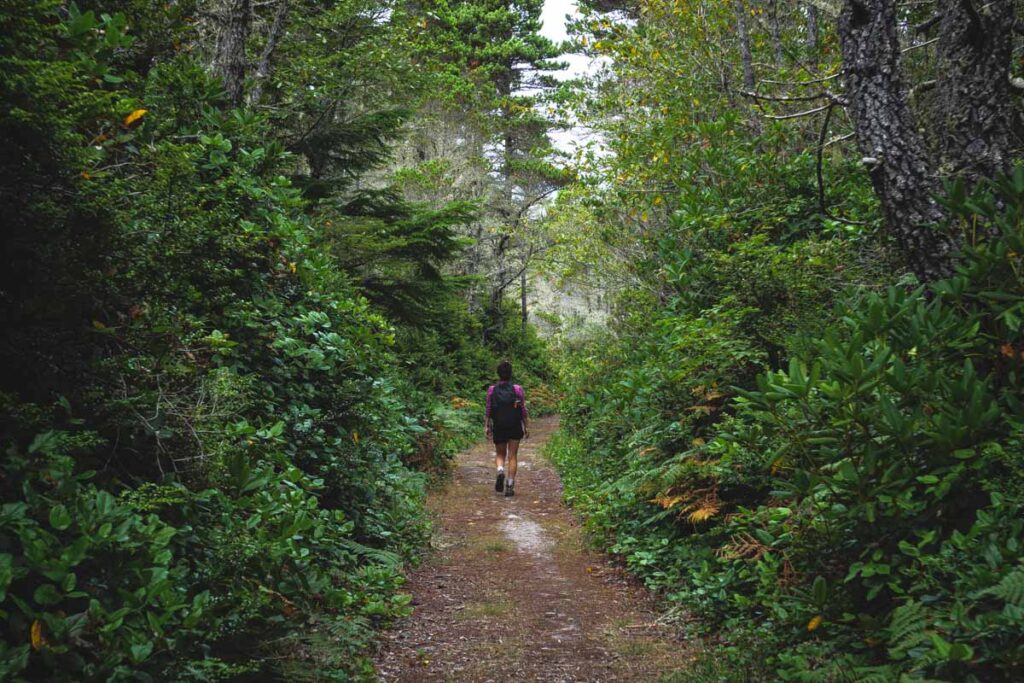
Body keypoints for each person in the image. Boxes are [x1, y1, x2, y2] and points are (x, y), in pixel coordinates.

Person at [484, 360, 529, 497]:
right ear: (510, 374)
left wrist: (486, 426)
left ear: (498, 374)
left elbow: (488, 409)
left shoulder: (492, 390)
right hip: (514, 425)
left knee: (500, 454)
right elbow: (523, 410)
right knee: (513, 456)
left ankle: (499, 470)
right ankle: (509, 485)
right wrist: (526, 426)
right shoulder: (517, 389)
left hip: (499, 425)